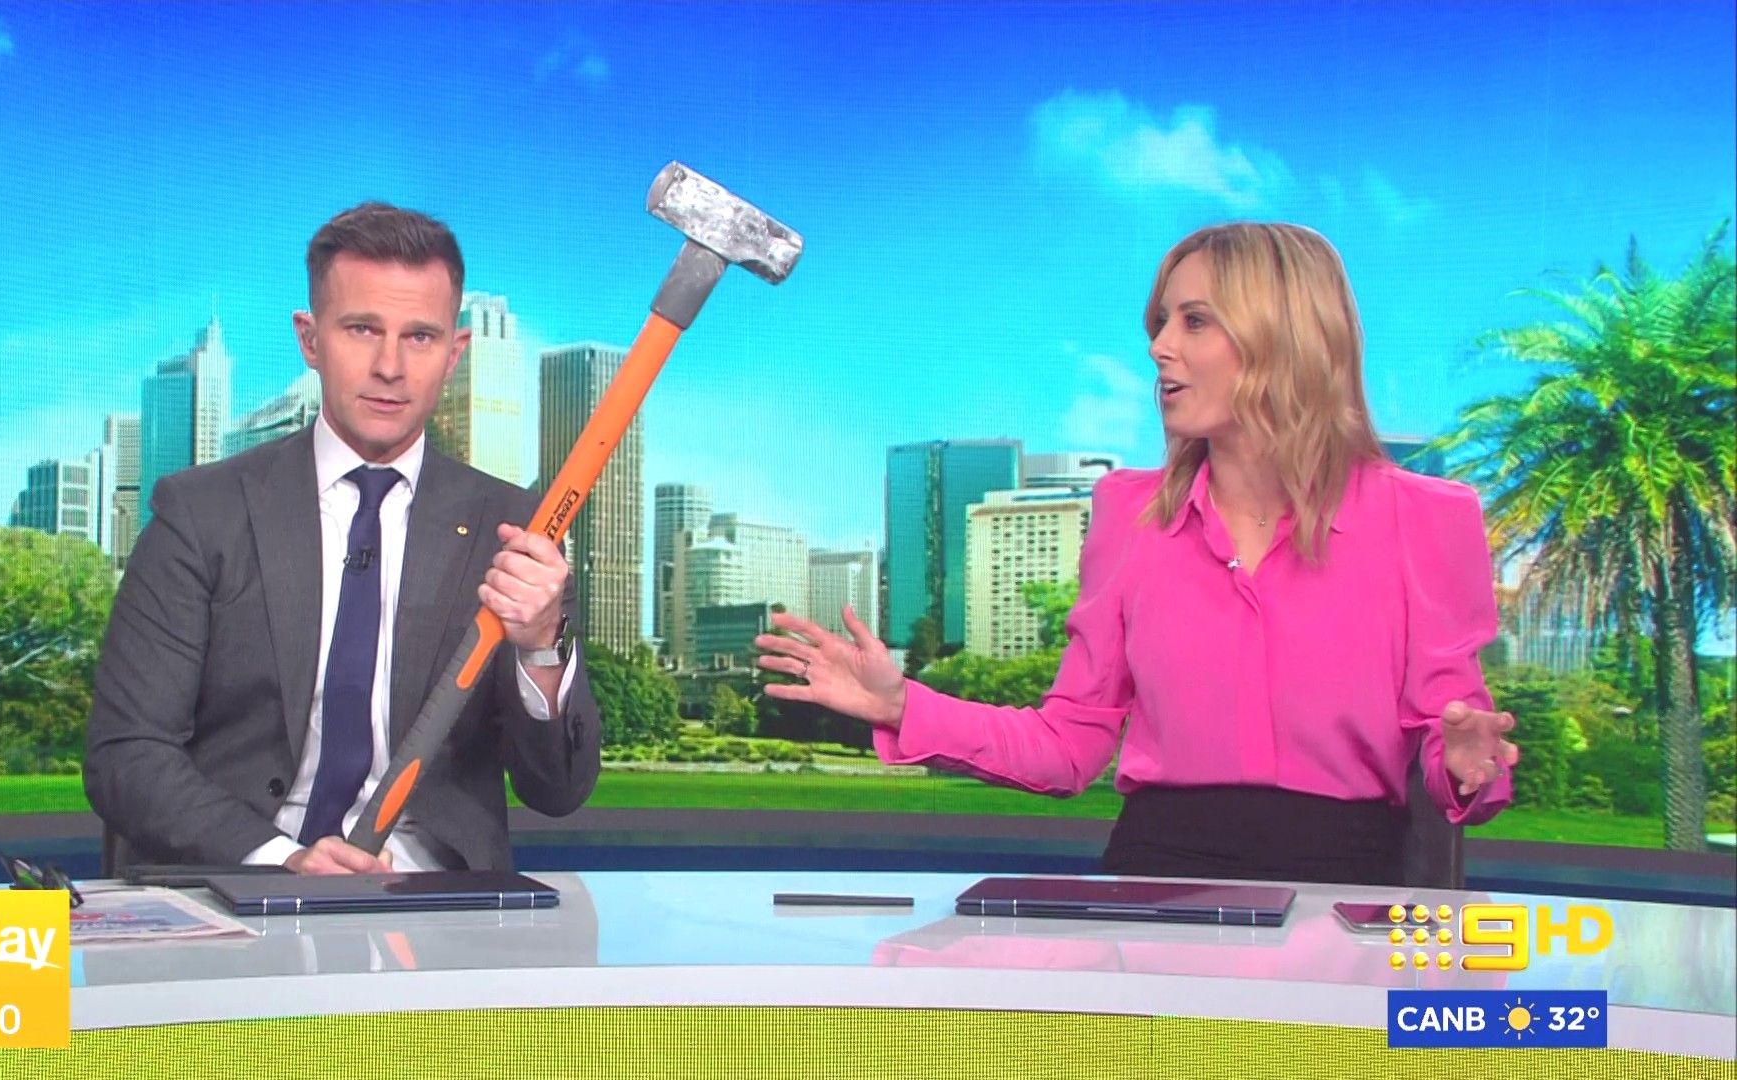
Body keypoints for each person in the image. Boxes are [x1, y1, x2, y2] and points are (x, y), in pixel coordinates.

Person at [757, 222, 1518, 886]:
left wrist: (1465, 765)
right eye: (1161, 323)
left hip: (1351, 888)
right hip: (1158, 882)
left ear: (1283, 338)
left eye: (1195, 322)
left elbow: (1455, 748)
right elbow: (1068, 746)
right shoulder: (1131, 515)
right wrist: (901, 705)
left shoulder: (1425, 519)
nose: (1159, 348)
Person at [86, 202, 599, 875]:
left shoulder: (516, 531)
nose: (390, 366)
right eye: (362, 329)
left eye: (420, 337)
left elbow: (559, 791)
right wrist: (282, 860)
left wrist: (540, 646)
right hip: (243, 881)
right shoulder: (201, 514)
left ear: (454, 354)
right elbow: (127, 754)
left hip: (432, 902)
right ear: (310, 339)